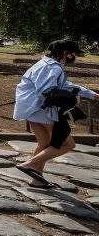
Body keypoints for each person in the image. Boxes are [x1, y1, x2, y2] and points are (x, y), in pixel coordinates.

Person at [14, 39, 98, 187]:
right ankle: (28, 164)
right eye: (73, 53)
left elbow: (64, 85)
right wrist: (72, 98)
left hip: (30, 110)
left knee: (44, 144)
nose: (74, 57)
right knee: (68, 144)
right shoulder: (54, 68)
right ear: (65, 53)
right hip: (42, 109)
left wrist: (90, 94)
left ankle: (36, 181)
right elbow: (46, 91)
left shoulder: (43, 64)